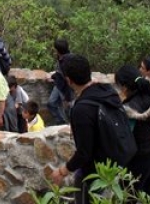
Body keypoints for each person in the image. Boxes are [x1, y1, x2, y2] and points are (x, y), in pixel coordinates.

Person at [50, 54, 124, 204]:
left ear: (69, 80)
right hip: (113, 164)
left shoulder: (81, 109)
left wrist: (62, 171)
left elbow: (84, 153)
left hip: (93, 172)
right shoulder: (108, 91)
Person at [115, 65, 150, 198]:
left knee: (128, 197)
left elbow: (125, 142)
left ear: (124, 87)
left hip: (140, 161)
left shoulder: (128, 109)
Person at [47, 38, 74, 125]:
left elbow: (68, 81)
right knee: (51, 103)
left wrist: (67, 97)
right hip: (58, 84)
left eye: (55, 48)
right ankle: (61, 122)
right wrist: (53, 76)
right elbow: (59, 72)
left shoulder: (67, 61)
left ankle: (69, 126)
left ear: (58, 50)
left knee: (68, 109)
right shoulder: (60, 57)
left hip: (65, 88)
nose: (54, 50)